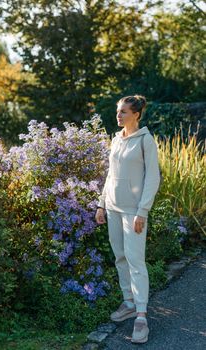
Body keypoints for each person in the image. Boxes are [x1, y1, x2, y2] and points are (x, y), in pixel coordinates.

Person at [95, 95, 161, 344]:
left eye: (123, 112)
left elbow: (152, 178)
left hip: (134, 211)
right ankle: (129, 303)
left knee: (136, 261)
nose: (118, 115)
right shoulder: (116, 139)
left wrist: (142, 211)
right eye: (118, 111)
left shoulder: (145, 140)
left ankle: (141, 317)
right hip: (112, 208)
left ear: (136, 114)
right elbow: (111, 175)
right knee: (120, 257)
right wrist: (102, 204)